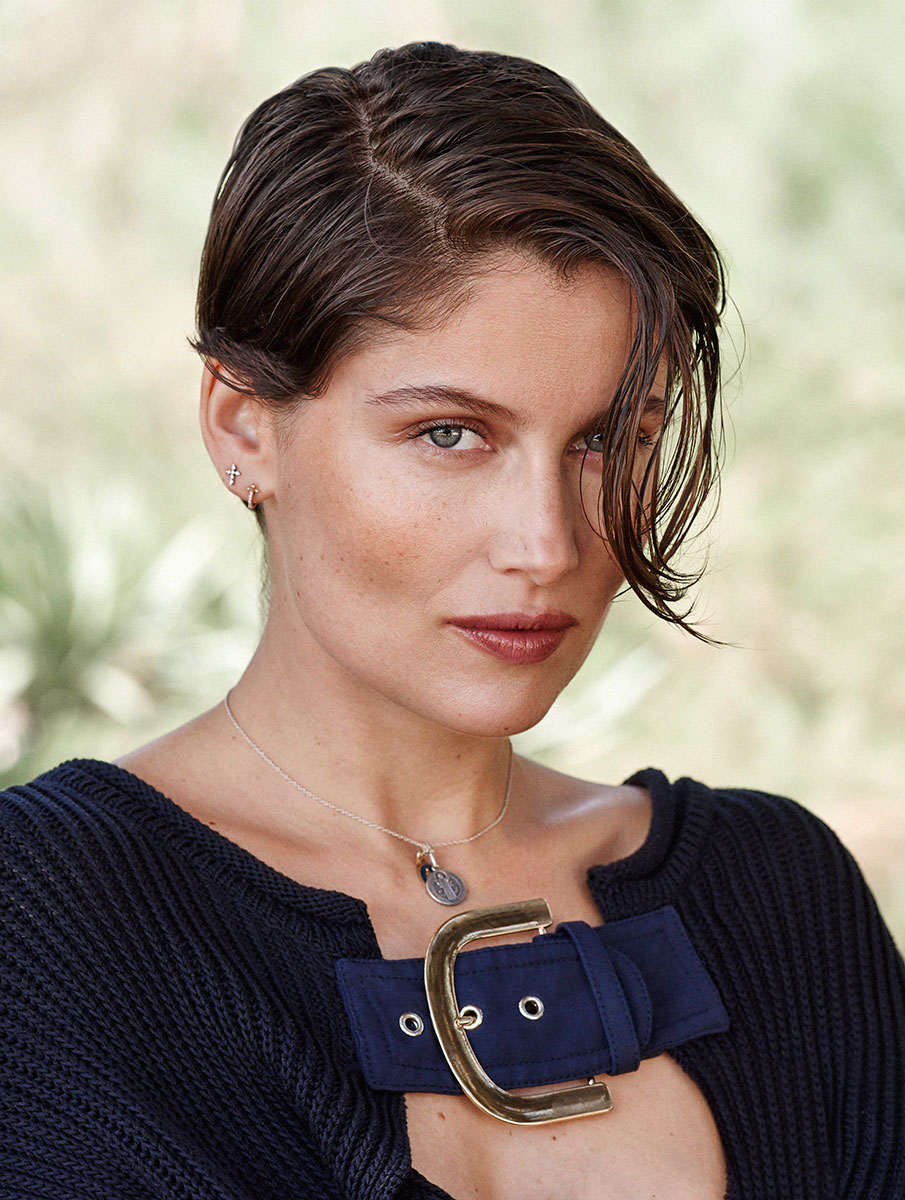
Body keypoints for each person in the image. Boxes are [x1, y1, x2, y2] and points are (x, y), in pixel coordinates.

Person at [1, 41, 902, 1200]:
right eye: (448, 434)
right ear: (241, 429)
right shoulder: (47, 930)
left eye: (601, 442)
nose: (547, 543)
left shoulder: (774, 896)